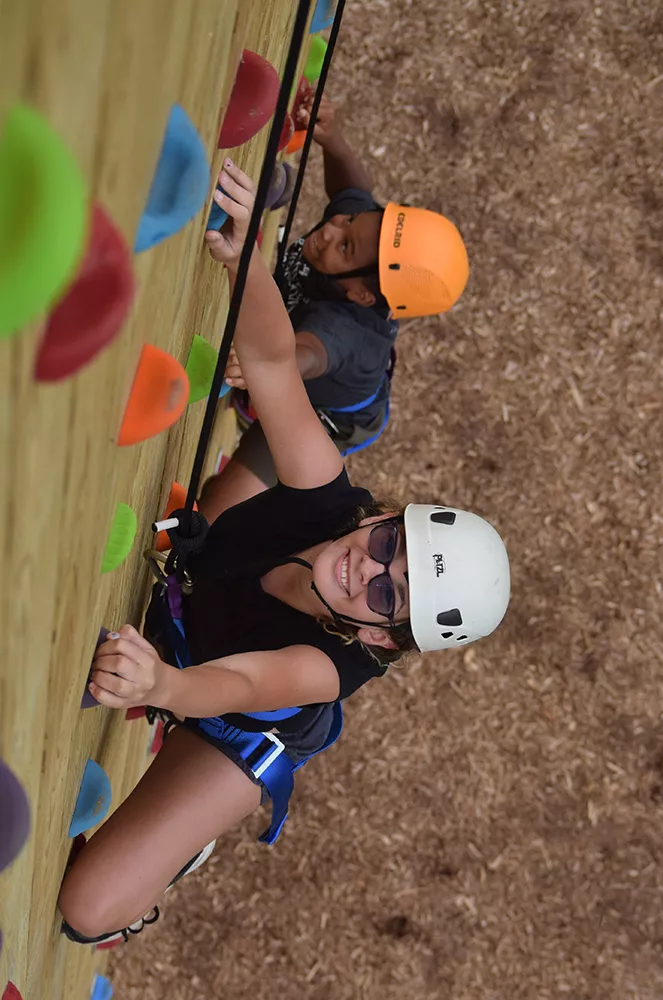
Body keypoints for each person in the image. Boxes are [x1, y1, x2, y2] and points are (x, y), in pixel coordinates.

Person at [57, 162, 508, 946]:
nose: (367, 567)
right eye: (390, 544)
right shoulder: (335, 501)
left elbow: (235, 681)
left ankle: (185, 846)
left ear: (379, 638)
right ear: (389, 514)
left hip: (231, 717)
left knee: (88, 909)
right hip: (206, 598)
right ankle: (187, 580)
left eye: (387, 596)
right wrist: (246, 262)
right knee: (272, 448)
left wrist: (160, 681)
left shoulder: (325, 670)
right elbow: (269, 364)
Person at [203, 95, 470, 517]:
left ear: (363, 295)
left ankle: (247, 434)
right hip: (322, 357)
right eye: (349, 223)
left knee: (210, 519)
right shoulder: (359, 237)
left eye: (345, 246)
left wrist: (260, 364)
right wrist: (334, 140)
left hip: (325, 412)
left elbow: (298, 356)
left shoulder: (344, 332)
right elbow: (353, 192)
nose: (331, 230)